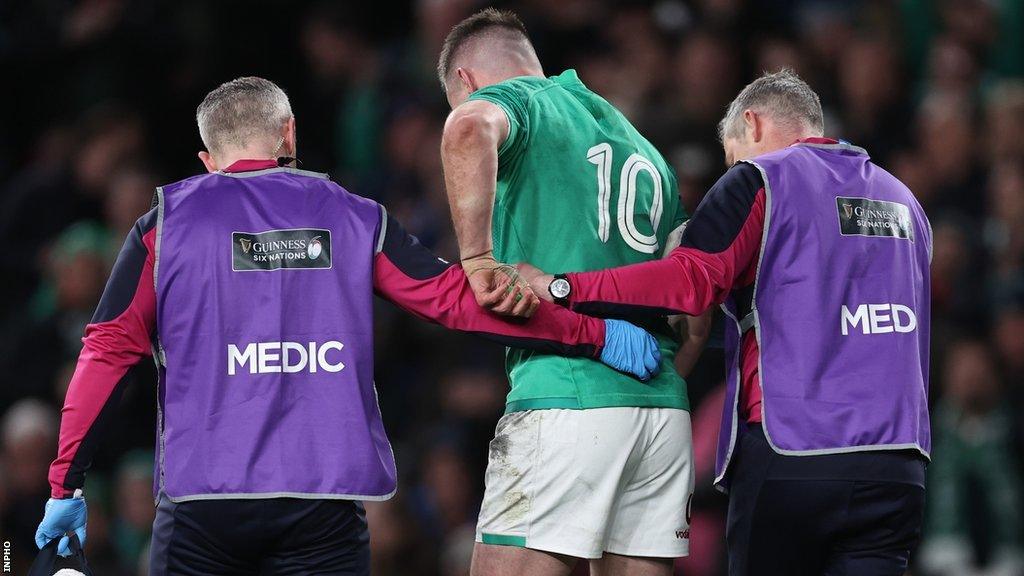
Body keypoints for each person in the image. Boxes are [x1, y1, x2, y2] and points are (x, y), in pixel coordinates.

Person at [34, 76, 662, 576]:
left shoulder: (166, 225)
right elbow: (456, 299)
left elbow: (107, 351)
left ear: (208, 159)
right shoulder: (352, 216)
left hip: (202, 505)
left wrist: (66, 482)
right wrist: (594, 334)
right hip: (323, 506)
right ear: (289, 133)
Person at [524, 69, 932, 575]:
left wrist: (564, 286)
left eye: (731, 154)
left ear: (752, 123)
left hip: (796, 452)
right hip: (898, 465)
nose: (731, 168)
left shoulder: (760, 179)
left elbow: (688, 282)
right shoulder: (905, 202)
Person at [437, 9, 707, 576]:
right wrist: (663, 376)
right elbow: (695, 302)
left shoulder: (520, 103)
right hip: (660, 410)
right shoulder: (642, 146)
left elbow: (468, 129)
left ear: (466, 81)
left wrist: (479, 260)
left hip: (568, 393)